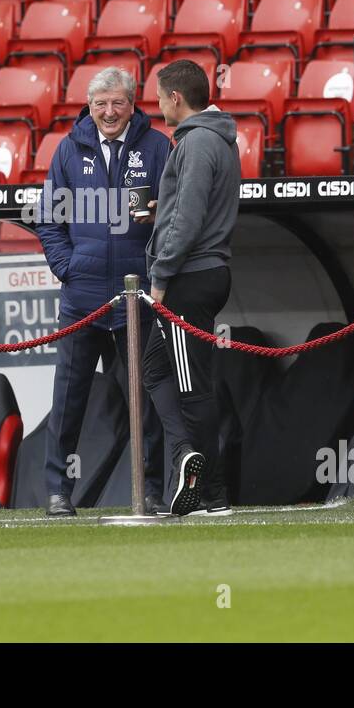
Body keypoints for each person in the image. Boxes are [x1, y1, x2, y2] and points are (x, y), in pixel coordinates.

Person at [35, 67, 173, 517]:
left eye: (117, 103)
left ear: (132, 104)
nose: (109, 112)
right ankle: (58, 491)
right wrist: (66, 269)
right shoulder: (69, 149)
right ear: (89, 107)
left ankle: (150, 490)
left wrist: (157, 229)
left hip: (139, 296)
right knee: (68, 398)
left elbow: (177, 212)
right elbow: (50, 219)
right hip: (83, 296)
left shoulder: (156, 147)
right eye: (100, 104)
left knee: (147, 400)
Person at [142, 58, 241, 516]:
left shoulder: (198, 141)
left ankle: (212, 494)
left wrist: (161, 277)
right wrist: (166, 208)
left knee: (192, 387)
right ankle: (186, 455)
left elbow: (192, 217)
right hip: (201, 272)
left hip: (189, 278)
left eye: (160, 96)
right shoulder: (210, 138)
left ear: (176, 98)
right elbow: (190, 205)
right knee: (155, 369)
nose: (157, 104)